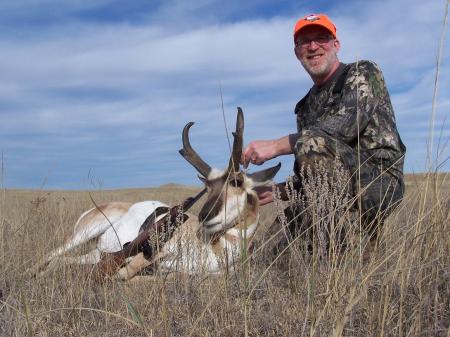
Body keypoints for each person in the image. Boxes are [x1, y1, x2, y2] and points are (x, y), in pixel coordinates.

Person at [242, 14, 406, 245]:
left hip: (378, 183)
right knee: (270, 249)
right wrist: (272, 192)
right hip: (332, 191)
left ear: (336, 44)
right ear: (297, 52)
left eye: (321, 38)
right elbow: (312, 174)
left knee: (310, 143)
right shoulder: (305, 107)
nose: (313, 46)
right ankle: (335, 245)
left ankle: (336, 255)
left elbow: (345, 126)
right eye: (305, 42)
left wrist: (276, 146)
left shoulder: (363, 72)